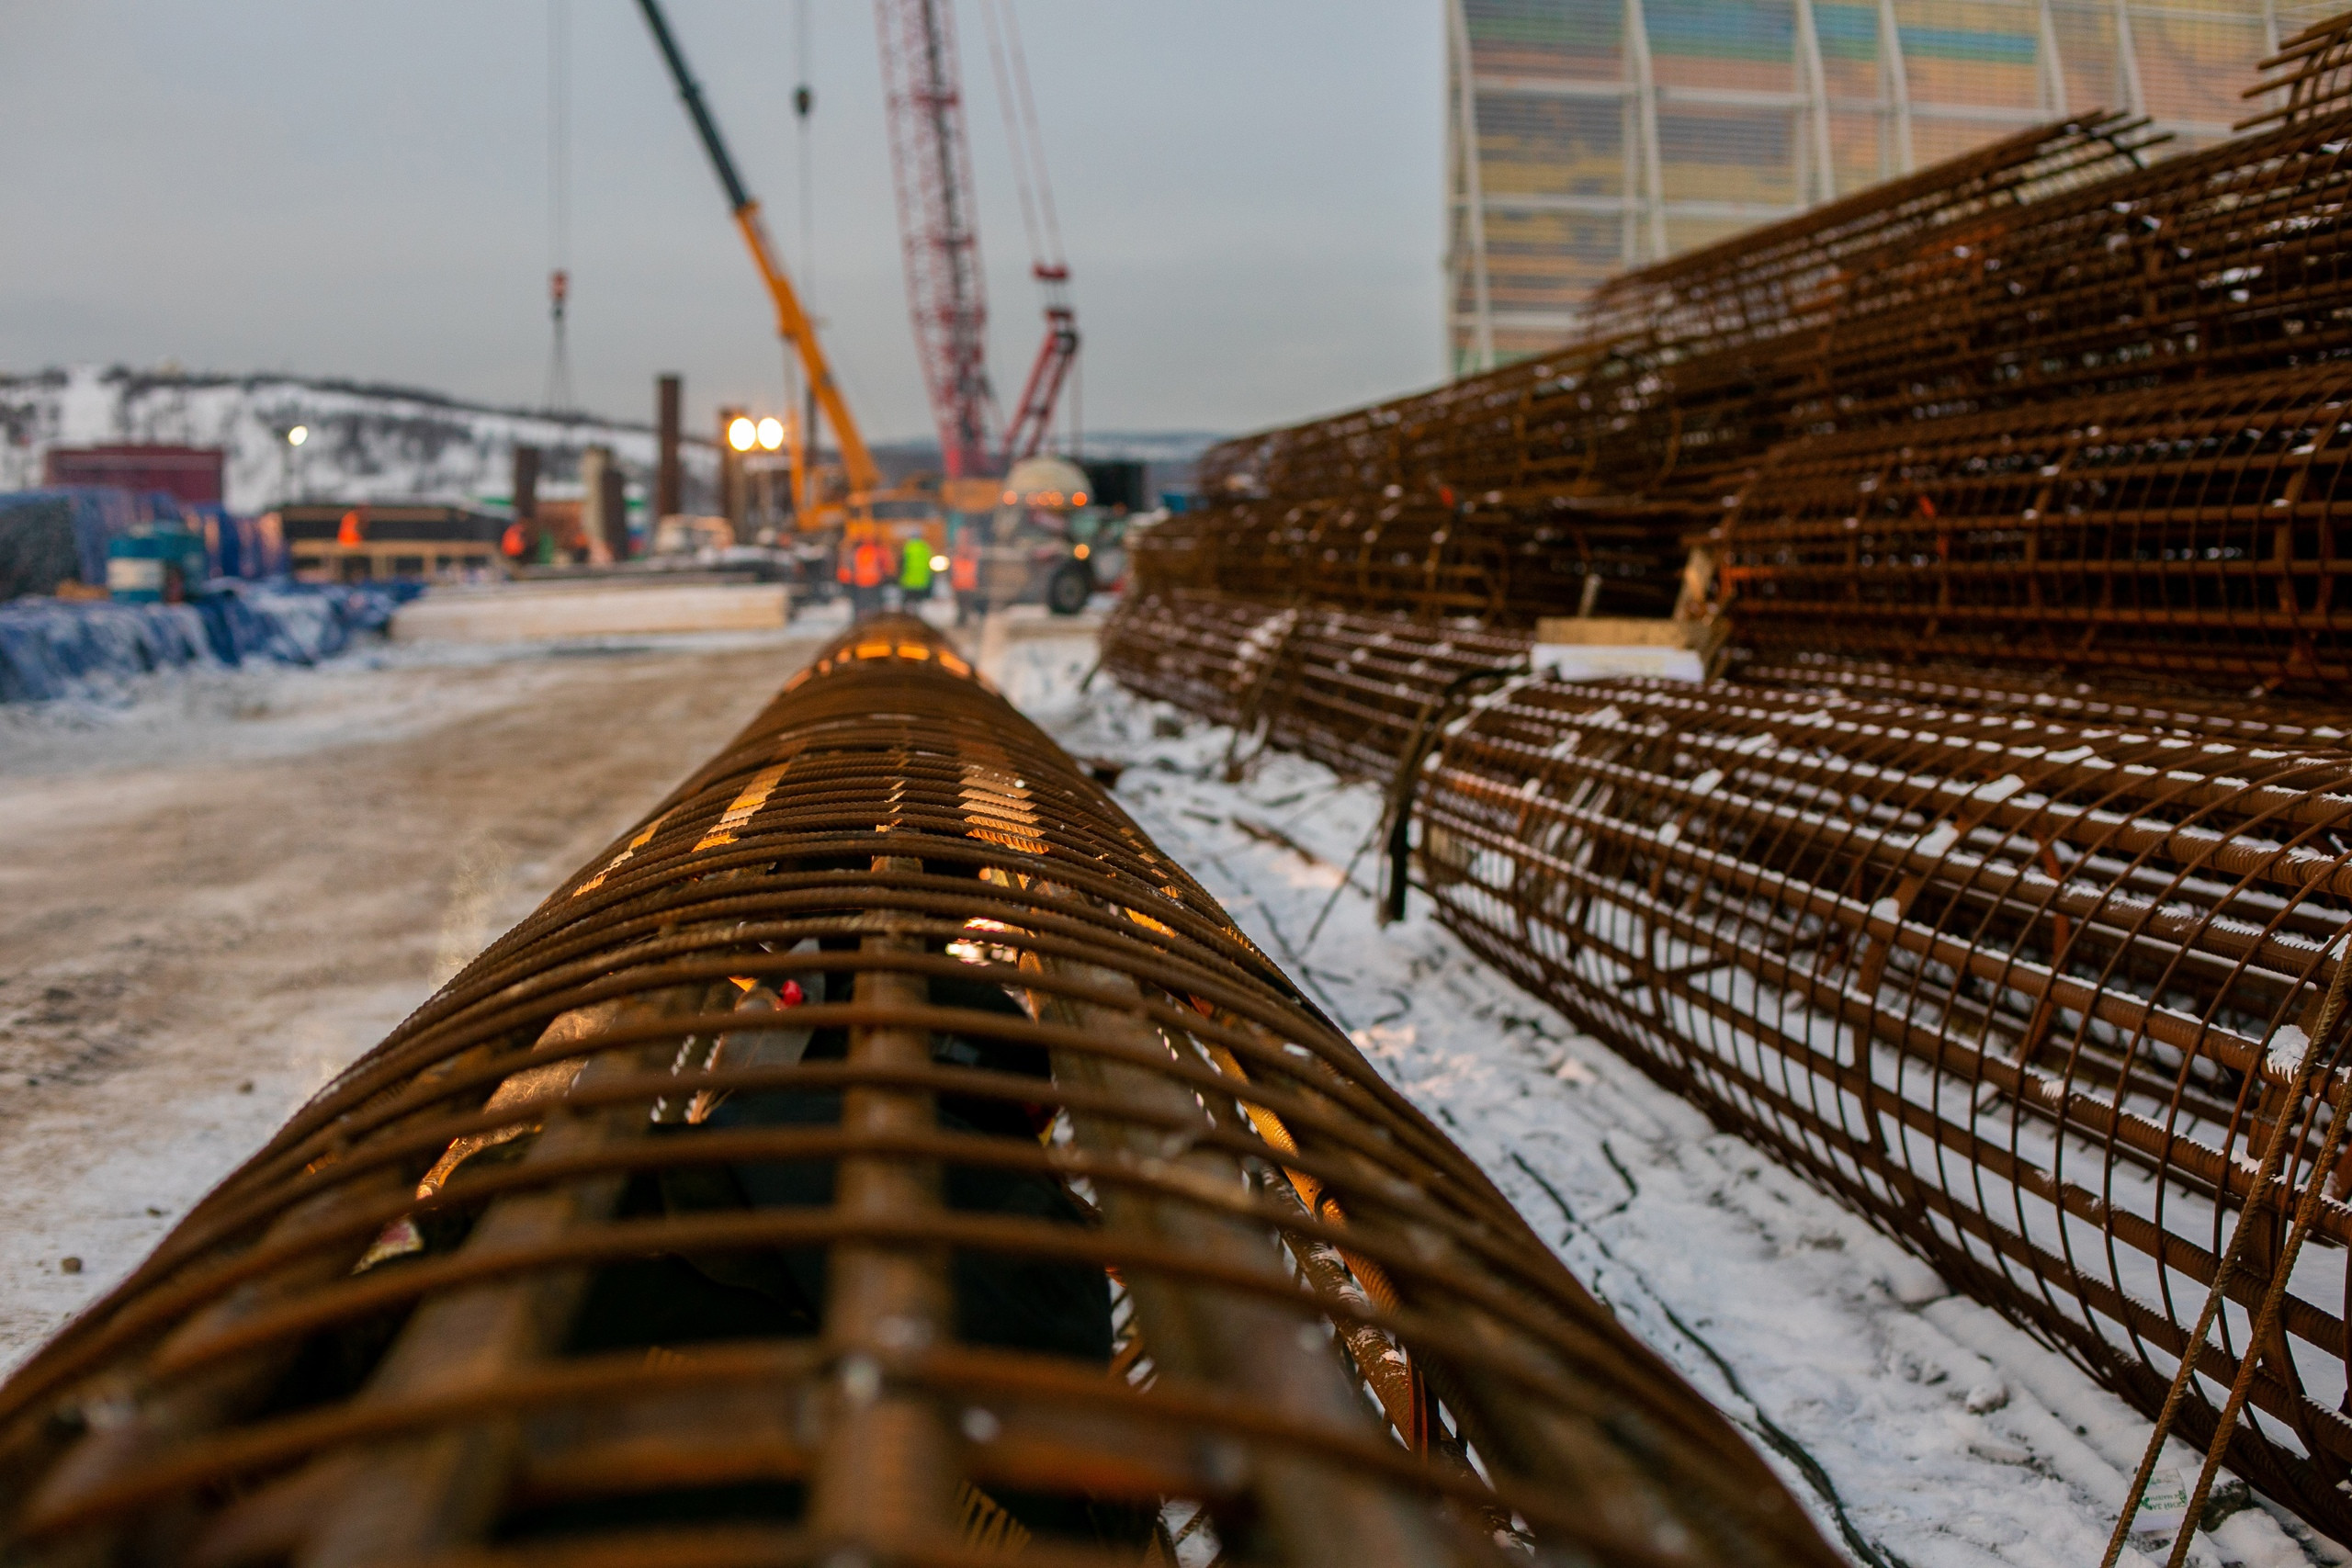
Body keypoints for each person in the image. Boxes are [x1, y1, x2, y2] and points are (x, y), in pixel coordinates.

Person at [899, 534, 933, 607]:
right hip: (922, 581)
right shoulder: (925, 547)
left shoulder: (908, 547)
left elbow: (902, 564)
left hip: (909, 581)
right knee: (920, 604)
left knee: (909, 604)